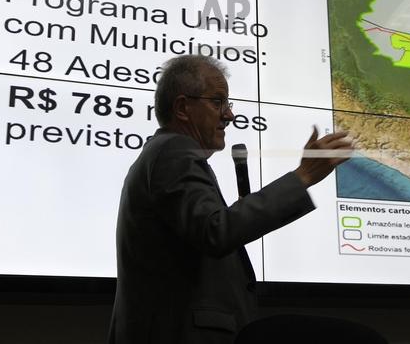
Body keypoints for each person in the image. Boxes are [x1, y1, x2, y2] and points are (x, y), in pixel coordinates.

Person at [108, 54, 352, 343]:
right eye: (217, 102)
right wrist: (302, 177)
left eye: (228, 103)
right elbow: (216, 230)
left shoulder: (166, 153)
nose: (229, 115)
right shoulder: (173, 150)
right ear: (183, 108)